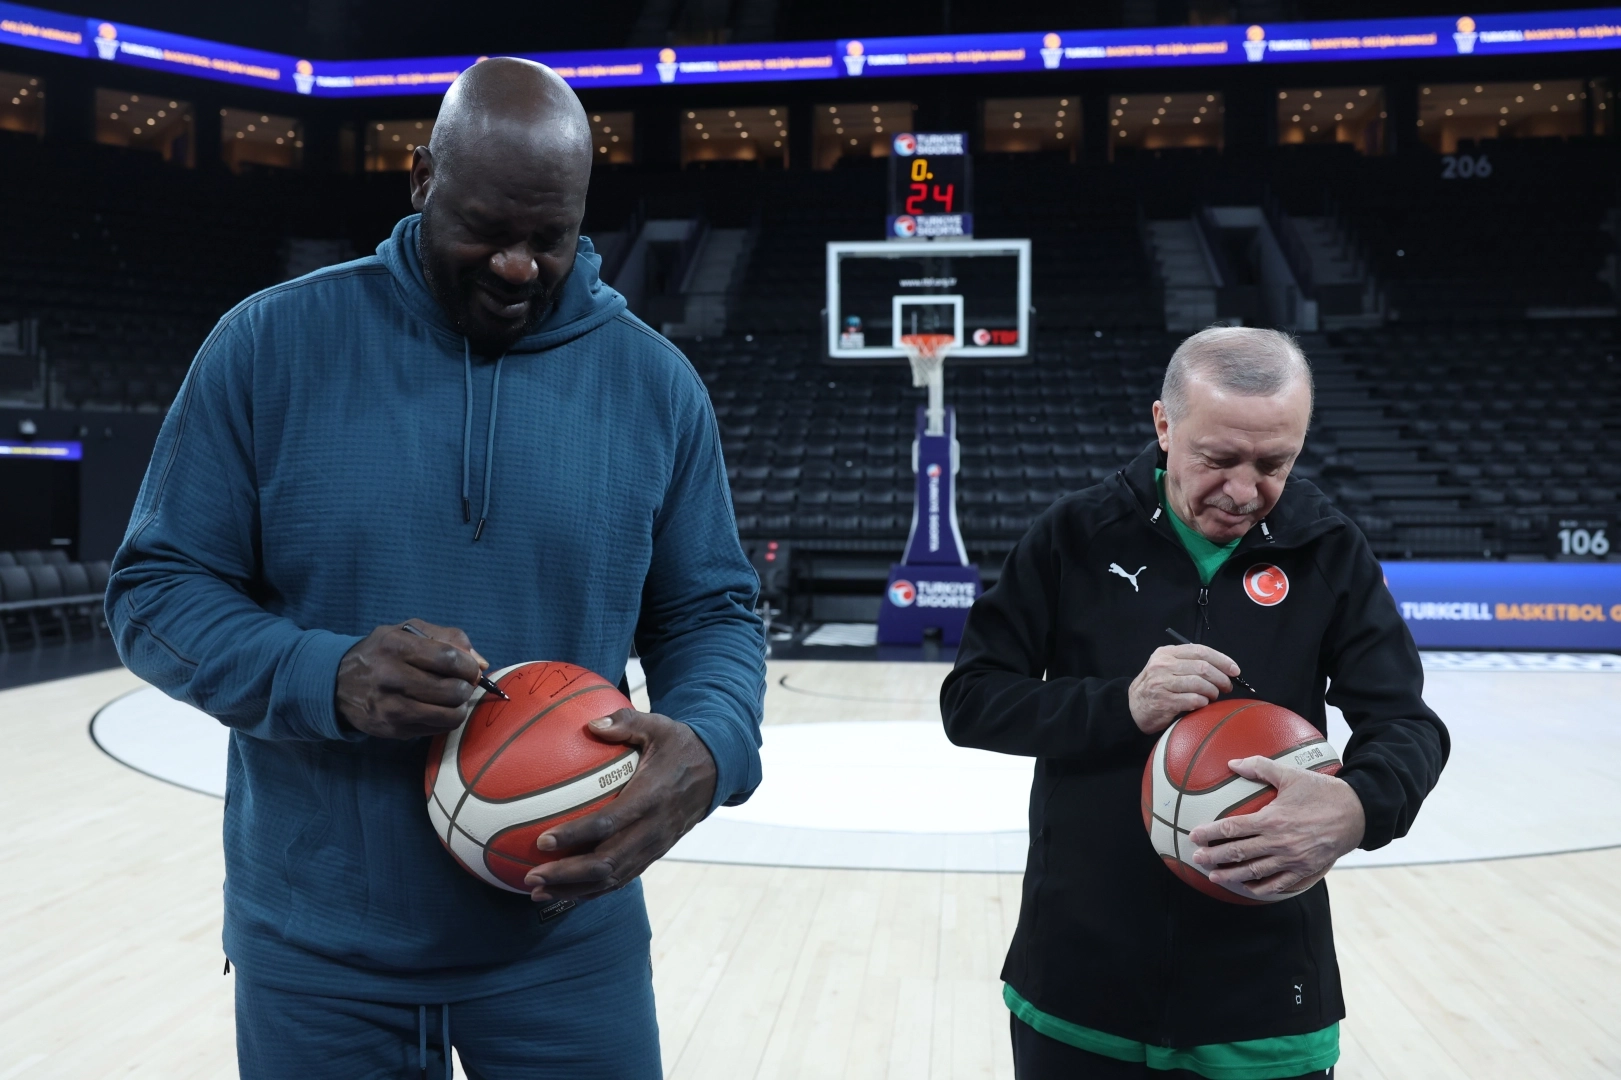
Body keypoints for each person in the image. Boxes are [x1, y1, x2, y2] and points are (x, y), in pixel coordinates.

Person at [105, 58, 765, 1080]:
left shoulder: (654, 385)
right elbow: (154, 593)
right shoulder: (267, 346)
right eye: (487, 231)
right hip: (318, 954)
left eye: (549, 238)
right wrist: (324, 674)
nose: (518, 267)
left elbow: (709, 613)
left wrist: (713, 744)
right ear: (421, 179)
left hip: (565, 948)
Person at [941, 327, 1449, 1080]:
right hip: (1080, 982)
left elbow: (1406, 723)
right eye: (1218, 459)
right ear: (1164, 425)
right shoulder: (1073, 535)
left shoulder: (1328, 549)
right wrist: (1120, 705)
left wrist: (1357, 807)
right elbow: (972, 698)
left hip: (1265, 995)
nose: (1243, 491)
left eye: (1273, 464)